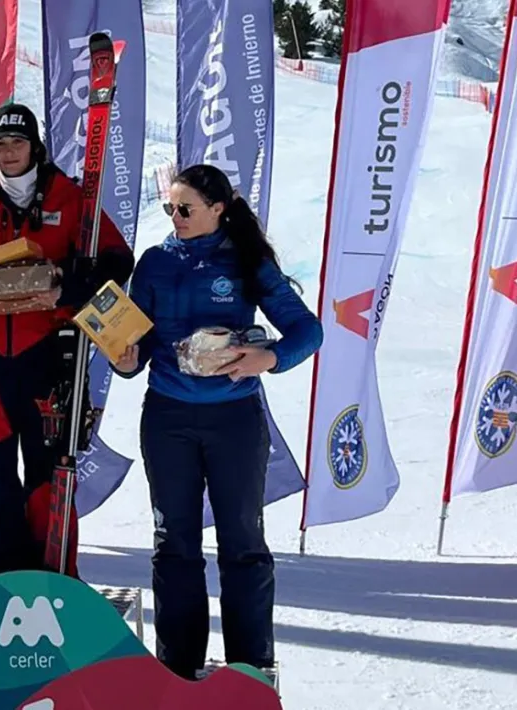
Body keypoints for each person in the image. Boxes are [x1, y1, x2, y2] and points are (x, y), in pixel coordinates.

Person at [112, 163, 322, 680]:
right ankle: (178, 669)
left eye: (186, 209)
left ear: (219, 209)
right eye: (169, 209)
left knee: (242, 543)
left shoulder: (247, 259)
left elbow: (307, 330)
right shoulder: (156, 262)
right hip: (168, 417)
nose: (176, 217)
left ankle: (251, 669)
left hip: (234, 420)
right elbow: (133, 352)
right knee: (174, 544)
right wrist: (123, 358)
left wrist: (267, 359)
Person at [0, 103, 135, 584]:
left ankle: (53, 579)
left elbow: (119, 260)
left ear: (34, 146)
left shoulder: (70, 196)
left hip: (47, 359)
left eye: (17, 143)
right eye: (0, 145)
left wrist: (66, 288)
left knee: (48, 477)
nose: (9, 152)